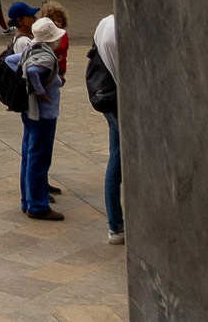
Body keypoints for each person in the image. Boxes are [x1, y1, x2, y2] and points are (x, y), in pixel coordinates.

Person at [16, 17, 66, 220]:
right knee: (39, 157)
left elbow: (14, 62)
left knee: (28, 155)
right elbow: (32, 70)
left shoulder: (29, 48)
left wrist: (24, 85)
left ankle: (27, 200)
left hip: (30, 111)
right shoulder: (45, 55)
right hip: (44, 113)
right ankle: (37, 205)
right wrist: (38, 90)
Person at [91, 13, 123, 244]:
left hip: (108, 99)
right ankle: (116, 225)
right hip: (118, 102)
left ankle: (116, 226)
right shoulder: (116, 34)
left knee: (116, 156)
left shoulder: (105, 22)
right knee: (118, 163)